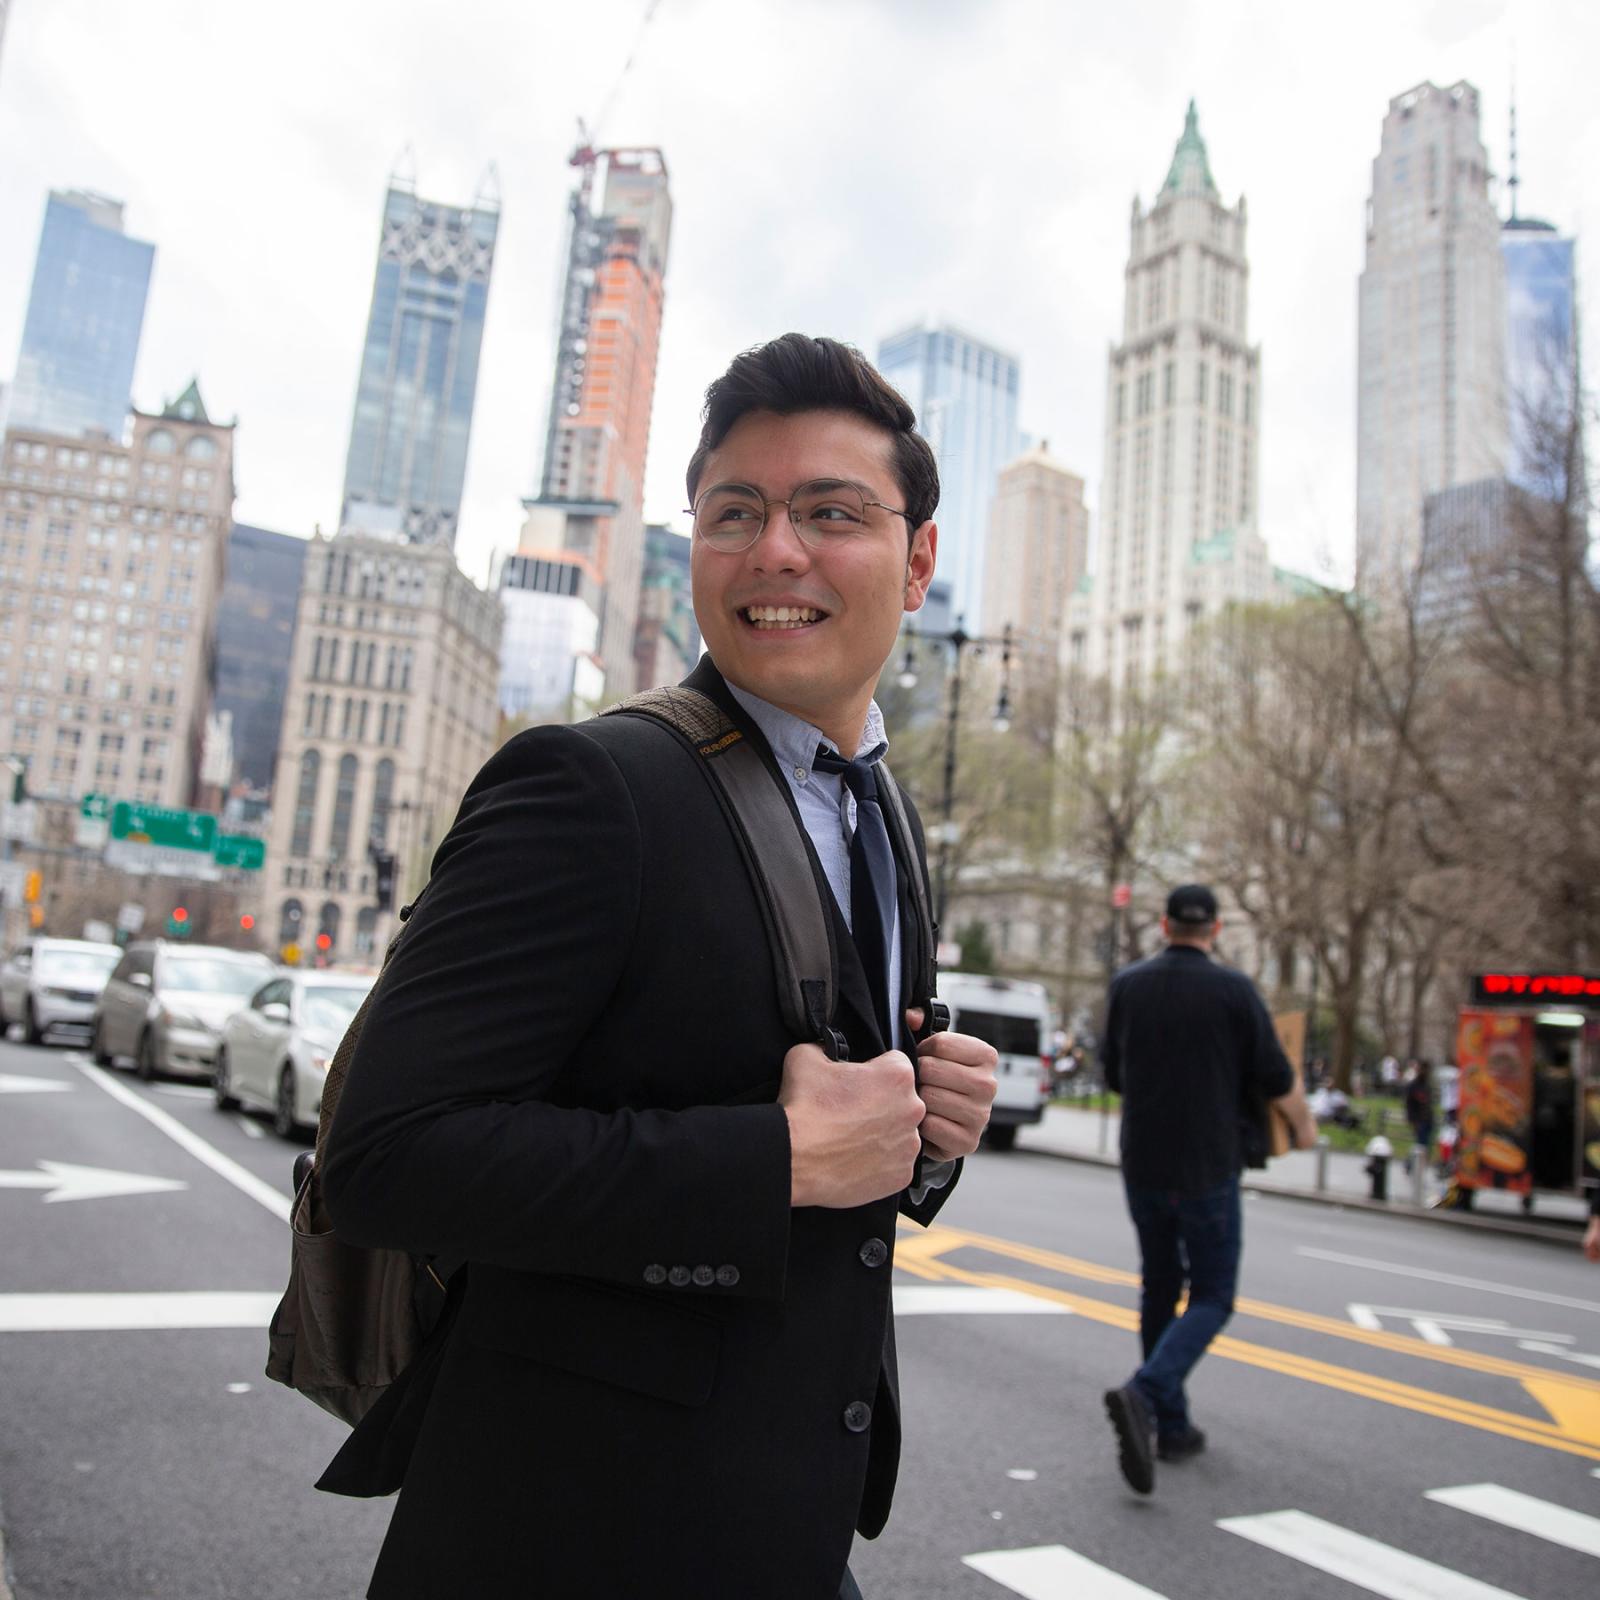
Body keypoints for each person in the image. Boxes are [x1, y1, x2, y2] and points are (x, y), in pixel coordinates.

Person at [320, 334, 999, 1599]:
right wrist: (774, 1157)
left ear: (917, 565)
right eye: (735, 511)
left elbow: (837, 1118)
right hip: (566, 1532)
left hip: (785, 1518)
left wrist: (924, 1128)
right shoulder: (589, 785)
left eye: (830, 513)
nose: (775, 550)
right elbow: (382, 1158)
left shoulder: (884, 812)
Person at [1099, 884, 1315, 1494]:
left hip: (1143, 1159)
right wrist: (1302, 1127)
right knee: (1214, 1293)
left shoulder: (1128, 985)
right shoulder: (1235, 991)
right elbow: (1275, 1075)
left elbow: (1113, 1073)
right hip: (1209, 1164)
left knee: (1160, 1285)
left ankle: (1171, 1424)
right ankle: (1147, 1394)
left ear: (1165, 924)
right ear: (1215, 929)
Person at [1403, 1059, 1434, 1173]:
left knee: (1424, 1146)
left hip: (1428, 1120)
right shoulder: (1413, 1086)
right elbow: (1408, 1104)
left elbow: (1428, 1103)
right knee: (1420, 1145)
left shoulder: (1427, 1086)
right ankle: (1410, 1164)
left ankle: (1416, 1167)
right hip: (1418, 1120)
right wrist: (1412, 1119)